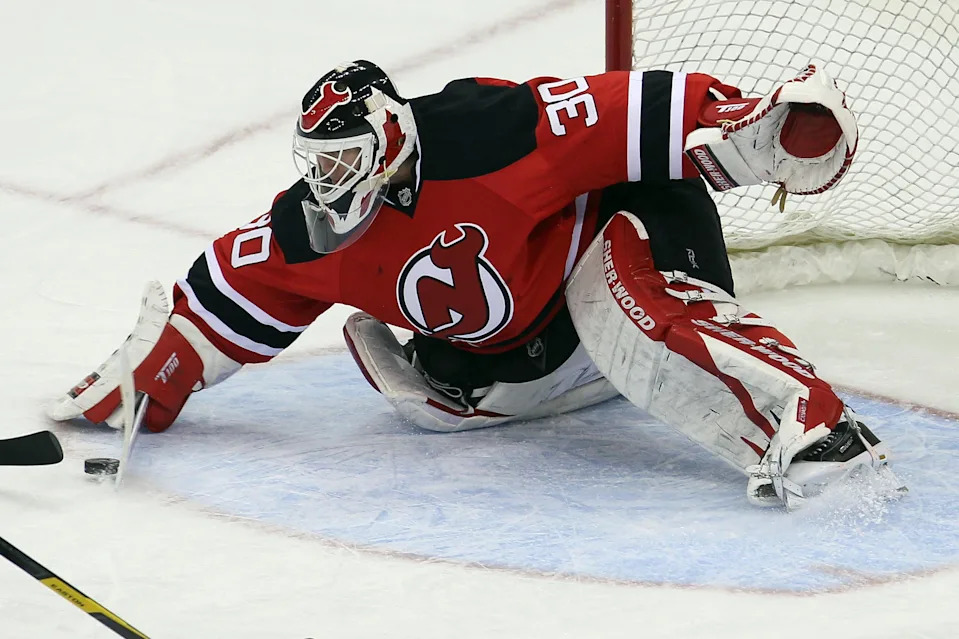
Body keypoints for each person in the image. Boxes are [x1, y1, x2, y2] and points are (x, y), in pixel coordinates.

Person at [49, 60, 901, 508]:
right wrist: (147, 382)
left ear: (388, 138)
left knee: (616, 303)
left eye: (346, 158)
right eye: (318, 163)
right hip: (530, 344)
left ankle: (811, 428)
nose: (332, 179)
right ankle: (553, 378)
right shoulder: (311, 231)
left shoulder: (487, 133)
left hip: (634, 236)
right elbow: (222, 297)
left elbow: (628, 108)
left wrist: (749, 125)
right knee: (425, 386)